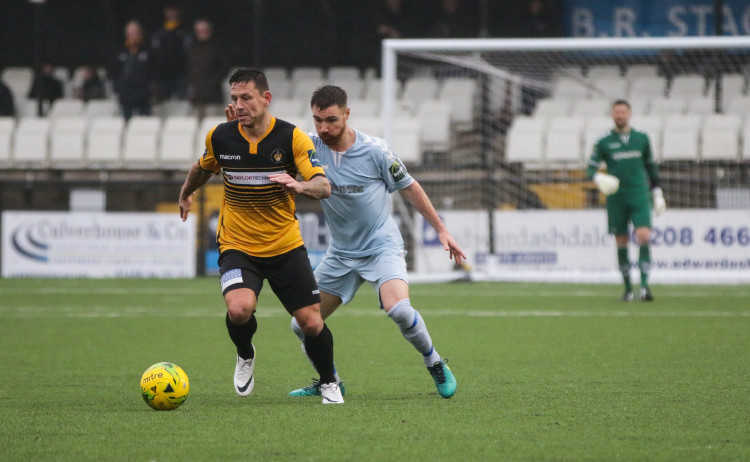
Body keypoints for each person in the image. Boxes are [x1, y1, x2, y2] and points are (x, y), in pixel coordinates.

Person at [268, 85, 465, 399]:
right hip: (341, 253)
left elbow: (410, 187)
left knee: (399, 310)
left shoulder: (376, 150)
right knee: (301, 324)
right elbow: (269, 144)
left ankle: (435, 361)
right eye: (318, 120)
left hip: (380, 247)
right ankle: (329, 380)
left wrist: (441, 229)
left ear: (347, 114)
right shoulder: (308, 146)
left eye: (331, 120)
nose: (324, 128)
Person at [178, 69, 343, 405]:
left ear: (266, 99)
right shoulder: (220, 137)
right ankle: (245, 354)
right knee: (239, 309)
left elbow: (324, 185)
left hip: (284, 246)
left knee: (311, 322)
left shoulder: (292, 138)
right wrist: (186, 194)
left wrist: (300, 185)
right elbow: (201, 167)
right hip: (238, 244)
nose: (238, 105)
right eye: (234, 98)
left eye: (246, 98)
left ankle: (329, 382)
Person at [587, 99, 666, 302]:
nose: (619, 115)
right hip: (616, 198)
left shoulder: (641, 138)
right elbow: (590, 168)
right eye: (616, 112)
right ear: (612, 115)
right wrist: (598, 177)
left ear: (629, 113)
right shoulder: (603, 141)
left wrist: (657, 193)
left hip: (639, 195)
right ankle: (628, 288)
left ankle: (645, 287)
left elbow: (651, 167)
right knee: (621, 240)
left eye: (622, 112)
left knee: (644, 236)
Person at [186, 19, 229, 119]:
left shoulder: (218, 48)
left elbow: (225, 68)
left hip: (213, 95)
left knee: (213, 125)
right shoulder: (193, 49)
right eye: (200, 31)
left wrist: (213, 81)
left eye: (205, 30)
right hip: (197, 96)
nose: (203, 33)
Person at [112, 20, 153, 120]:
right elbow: (115, 72)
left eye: (136, 32)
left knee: (145, 122)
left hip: (143, 95)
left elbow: (153, 71)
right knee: (126, 121)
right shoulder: (121, 52)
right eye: (131, 33)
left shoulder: (148, 50)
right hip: (126, 95)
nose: (133, 35)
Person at [150, 3, 189, 102]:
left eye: (174, 10)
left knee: (183, 102)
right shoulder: (159, 33)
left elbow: (188, 54)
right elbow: (155, 55)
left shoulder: (184, 32)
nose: (171, 13)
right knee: (163, 104)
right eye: (169, 11)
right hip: (163, 76)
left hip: (181, 75)